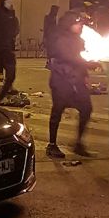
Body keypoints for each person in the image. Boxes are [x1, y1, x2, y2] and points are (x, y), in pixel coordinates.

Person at [46, 11, 93, 159]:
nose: (80, 26)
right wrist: (88, 63)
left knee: (86, 108)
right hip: (62, 79)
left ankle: (78, 143)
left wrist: (85, 73)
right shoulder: (60, 38)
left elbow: (80, 56)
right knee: (57, 111)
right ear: (69, 24)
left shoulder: (78, 39)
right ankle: (52, 145)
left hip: (76, 80)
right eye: (77, 23)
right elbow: (69, 57)